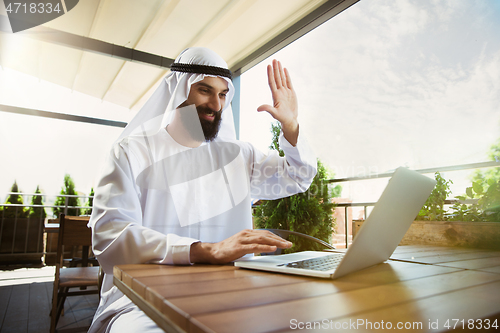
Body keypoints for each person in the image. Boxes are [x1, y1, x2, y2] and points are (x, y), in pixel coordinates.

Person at [87, 47, 317, 332]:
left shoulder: (239, 155)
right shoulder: (132, 152)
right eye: (205, 90)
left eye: (222, 95)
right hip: (143, 300)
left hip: (233, 293)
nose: (216, 105)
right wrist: (204, 251)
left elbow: (299, 176)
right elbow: (112, 235)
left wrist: (291, 125)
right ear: (179, 90)